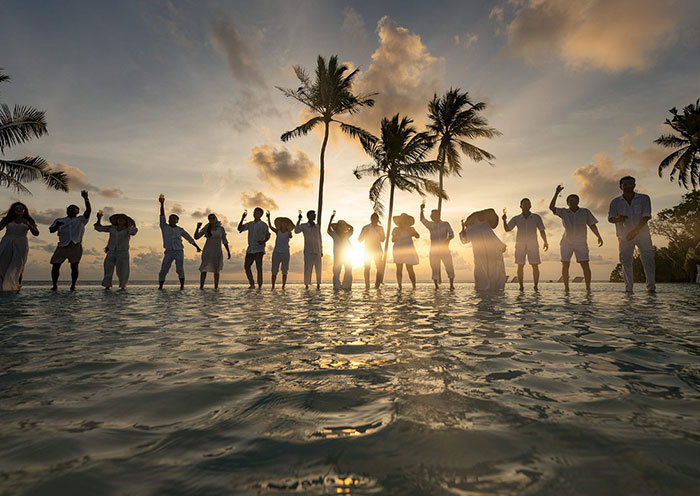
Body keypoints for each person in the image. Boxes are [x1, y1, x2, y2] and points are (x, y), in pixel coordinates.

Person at [549, 185, 603, 292]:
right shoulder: (564, 212)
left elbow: (592, 225)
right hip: (566, 242)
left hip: (581, 242)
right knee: (565, 264)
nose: (572, 202)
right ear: (567, 202)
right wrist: (556, 193)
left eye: (574, 200)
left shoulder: (585, 212)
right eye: (570, 201)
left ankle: (588, 287)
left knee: (585, 264)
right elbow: (551, 208)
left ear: (578, 201)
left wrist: (599, 236)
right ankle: (566, 288)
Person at [608, 176, 655, 293]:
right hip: (624, 236)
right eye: (625, 185)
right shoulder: (615, 202)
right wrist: (619, 219)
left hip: (643, 234)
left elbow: (647, 216)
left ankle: (651, 288)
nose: (628, 186)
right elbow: (610, 218)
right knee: (626, 261)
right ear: (620, 187)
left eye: (630, 184)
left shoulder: (644, 198)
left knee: (648, 260)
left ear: (634, 185)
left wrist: (635, 231)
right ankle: (628, 289)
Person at [503, 198, 548, 291]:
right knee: (520, 265)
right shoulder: (516, 218)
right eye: (524, 204)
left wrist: (545, 241)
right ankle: (521, 287)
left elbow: (542, 230)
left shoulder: (536, 217)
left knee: (535, 265)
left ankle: (536, 286)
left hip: (533, 244)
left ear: (530, 206)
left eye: (528, 204)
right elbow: (508, 229)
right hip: (520, 244)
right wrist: (504, 220)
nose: (526, 205)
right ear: (521, 206)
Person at [49, 190, 91, 291]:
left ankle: (73, 285)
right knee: (55, 265)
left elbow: (88, 211)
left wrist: (86, 199)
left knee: (74, 265)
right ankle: (54, 285)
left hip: (75, 244)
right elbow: (51, 230)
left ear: (77, 211)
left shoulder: (81, 220)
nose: (71, 210)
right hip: (62, 245)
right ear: (66, 211)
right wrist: (57, 225)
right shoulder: (60, 220)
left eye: (74, 209)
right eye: (69, 209)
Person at [158, 195, 201, 290]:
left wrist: (197, 247)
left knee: (180, 269)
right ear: (168, 220)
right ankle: (160, 287)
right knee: (164, 269)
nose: (172, 220)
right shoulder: (164, 227)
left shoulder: (180, 229)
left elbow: (189, 238)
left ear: (177, 221)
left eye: (174, 219)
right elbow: (162, 215)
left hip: (179, 251)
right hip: (168, 251)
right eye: (171, 219)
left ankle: (182, 287)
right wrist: (162, 204)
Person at [460, 209, 506, 291]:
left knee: (488, 268)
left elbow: (492, 237)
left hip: (489, 251)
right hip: (481, 251)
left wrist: (501, 246)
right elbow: (465, 240)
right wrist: (501, 246)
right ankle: (487, 287)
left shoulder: (482, 226)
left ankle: (488, 287)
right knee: (485, 268)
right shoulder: (476, 227)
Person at [0, 202, 39, 292]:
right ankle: (2, 286)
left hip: (21, 242)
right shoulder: (8, 219)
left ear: (24, 210)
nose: (19, 210)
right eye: (17, 208)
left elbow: (36, 233)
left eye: (21, 209)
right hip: (7, 241)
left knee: (19, 264)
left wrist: (28, 224)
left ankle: (17, 286)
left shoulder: (29, 220)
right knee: (2, 263)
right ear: (13, 210)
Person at [94, 212, 138, 290]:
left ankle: (122, 286)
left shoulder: (128, 229)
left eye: (122, 219)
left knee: (123, 270)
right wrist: (99, 218)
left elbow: (134, 232)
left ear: (125, 221)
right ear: (116, 220)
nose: (120, 220)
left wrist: (133, 224)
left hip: (123, 252)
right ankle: (107, 286)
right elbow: (98, 228)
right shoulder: (112, 228)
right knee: (108, 268)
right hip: (111, 251)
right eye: (119, 219)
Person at [420, 204, 455, 289]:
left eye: (432, 215)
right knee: (434, 267)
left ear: (437, 215)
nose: (431, 217)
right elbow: (422, 219)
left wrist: (448, 240)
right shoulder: (431, 225)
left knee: (449, 266)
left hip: (444, 249)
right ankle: (436, 286)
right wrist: (421, 210)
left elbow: (451, 234)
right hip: (434, 249)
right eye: (431, 215)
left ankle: (451, 285)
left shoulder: (445, 224)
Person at [238, 207, 270, 289]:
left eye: (257, 213)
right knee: (247, 266)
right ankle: (252, 283)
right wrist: (242, 218)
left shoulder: (263, 225)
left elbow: (268, 235)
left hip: (259, 249)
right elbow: (239, 228)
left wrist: (263, 241)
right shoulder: (250, 224)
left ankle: (259, 285)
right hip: (250, 249)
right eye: (254, 212)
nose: (255, 214)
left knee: (259, 267)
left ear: (261, 215)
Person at [197, 213, 231, 289]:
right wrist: (197, 228)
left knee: (216, 270)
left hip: (217, 251)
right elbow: (196, 237)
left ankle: (216, 287)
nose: (212, 219)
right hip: (207, 251)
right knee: (204, 269)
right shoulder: (206, 228)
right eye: (210, 218)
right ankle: (201, 287)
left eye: (213, 218)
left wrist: (228, 252)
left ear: (216, 219)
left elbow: (224, 241)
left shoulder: (221, 229)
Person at [295, 210, 322, 289]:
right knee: (307, 268)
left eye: (315, 215)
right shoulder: (304, 226)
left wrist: (321, 250)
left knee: (318, 268)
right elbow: (296, 231)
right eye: (313, 215)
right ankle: (306, 285)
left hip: (317, 250)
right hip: (308, 250)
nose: (315, 216)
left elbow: (319, 238)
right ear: (309, 216)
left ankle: (318, 285)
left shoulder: (317, 226)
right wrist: (299, 220)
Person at [392, 213, 420, 290]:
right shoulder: (396, 229)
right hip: (398, 250)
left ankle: (414, 286)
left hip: (408, 250)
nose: (403, 221)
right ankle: (400, 286)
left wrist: (412, 232)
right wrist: (396, 234)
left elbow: (418, 236)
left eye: (405, 220)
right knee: (399, 268)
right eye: (402, 220)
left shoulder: (411, 228)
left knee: (409, 268)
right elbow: (393, 240)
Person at [266, 212, 294, 289]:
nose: (284, 225)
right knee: (274, 270)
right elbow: (271, 227)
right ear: (280, 224)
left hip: (285, 253)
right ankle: (273, 286)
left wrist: (289, 231)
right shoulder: (277, 231)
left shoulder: (288, 232)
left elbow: (291, 236)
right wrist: (268, 218)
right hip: (277, 252)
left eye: (285, 223)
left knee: (284, 271)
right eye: (283, 223)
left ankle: (283, 286)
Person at [358, 213, 385, 289]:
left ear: (378, 220)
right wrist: (364, 233)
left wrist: (379, 233)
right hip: (367, 250)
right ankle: (367, 285)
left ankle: (377, 285)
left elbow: (383, 240)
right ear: (371, 219)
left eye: (376, 219)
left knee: (379, 268)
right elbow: (359, 240)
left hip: (378, 250)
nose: (375, 221)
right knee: (367, 268)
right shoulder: (366, 227)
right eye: (373, 219)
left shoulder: (380, 228)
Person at [328, 212, 354, 290]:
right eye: (340, 225)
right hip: (338, 256)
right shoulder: (334, 234)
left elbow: (352, 228)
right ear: (337, 227)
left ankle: (347, 286)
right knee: (336, 271)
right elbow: (328, 229)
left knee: (348, 270)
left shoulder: (347, 234)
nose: (342, 227)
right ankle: (337, 287)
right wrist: (331, 219)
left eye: (343, 226)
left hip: (347, 255)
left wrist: (346, 223)